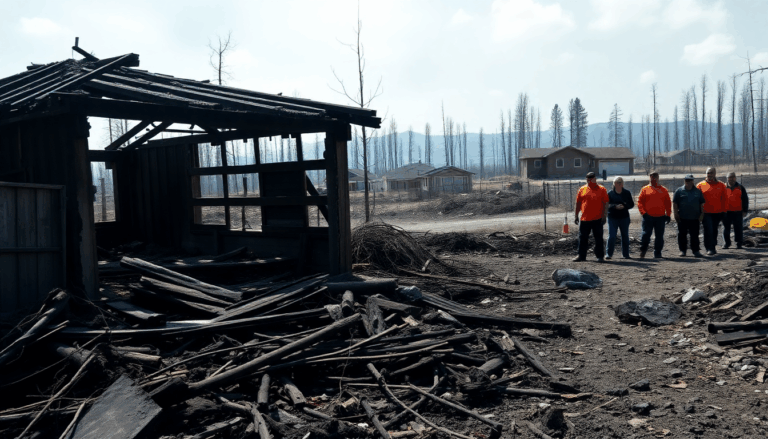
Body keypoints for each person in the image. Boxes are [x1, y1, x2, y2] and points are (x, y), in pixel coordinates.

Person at [573, 171, 609, 262]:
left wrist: (604, 216)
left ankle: (600, 256)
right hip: (585, 219)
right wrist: (576, 215)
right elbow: (578, 203)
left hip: (597, 218)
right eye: (587, 178)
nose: (589, 180)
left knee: (598, 238)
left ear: (595, 178)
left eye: (591, 178)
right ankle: (581, 256)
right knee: (582, 238)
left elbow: (606, 203)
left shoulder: (602, 189)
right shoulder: (582, 189)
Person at [637, 171, 672, 259]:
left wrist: (668, 214)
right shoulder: (645, 189)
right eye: (652, 177)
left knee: (659, 236)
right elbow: (640, 202)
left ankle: (658, 253)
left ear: (658, 178)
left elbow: (668, 203)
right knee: (646, 235)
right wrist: (643, 213)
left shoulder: (663, 190)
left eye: (655, 177)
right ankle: (643, 251)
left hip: (660, 217)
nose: (654, 179)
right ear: (649, 178)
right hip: (648, 217)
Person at [672, 174, 705, 257]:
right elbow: (675, 203)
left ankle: (696, 251)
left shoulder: (698, 191)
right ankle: (683, 251)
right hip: (682, 217)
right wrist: (675, 214)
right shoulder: (679, 191)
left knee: (694, 235)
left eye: (690, 180)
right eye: (687, 180)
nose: (689, 182)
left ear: (693, 181)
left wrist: (702, 214)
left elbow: (702, 203)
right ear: (684, 181)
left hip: (695, 218)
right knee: (682, 235)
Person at [697, 167, 728, 255]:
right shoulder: (700, 185)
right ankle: (709, 248)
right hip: (705, 213)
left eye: (711, 173)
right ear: (706, 174)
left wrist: (724, 211)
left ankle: (713, 246)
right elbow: (697, 200)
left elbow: (725, 199)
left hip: (718, 212)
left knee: (714, 230)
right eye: (708, 173)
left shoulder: (721, 185)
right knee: (708, 230)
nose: (709, 175)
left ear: (715, 174)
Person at [605, 176, 634, 259]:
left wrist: (624, 206)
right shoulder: (610, 193)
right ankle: (609, 254)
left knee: (625, 236)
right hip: (613, 218)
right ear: (614, 184)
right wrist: (615, 206)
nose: (618, 184)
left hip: (624, 218)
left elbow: (631, 204)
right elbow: (607, 205)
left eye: (620, 182)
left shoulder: (627, 193)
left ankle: (626, 254)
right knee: (612, 236)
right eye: (616, 182)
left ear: (622, 184)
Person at [722, 172, 749, 249]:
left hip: (737, 212)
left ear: (735, 178)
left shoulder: (740, 187)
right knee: (726, 228)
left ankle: (739, 243)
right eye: (729, 178)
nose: (731, 179)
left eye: (733, 177)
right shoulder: (723, 187)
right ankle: (727, 243)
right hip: (726, 212)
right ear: (727, 178)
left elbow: (745, 199)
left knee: (738, 228)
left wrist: (745, 210)